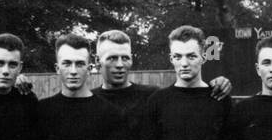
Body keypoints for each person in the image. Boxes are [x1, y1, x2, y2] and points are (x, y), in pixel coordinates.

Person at [94, 28, 232, 127]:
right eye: (112, 58)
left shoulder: (151, 96)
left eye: (125, 58)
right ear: (97, 61)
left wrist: (220, 83)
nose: (119, 64)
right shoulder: (88, 100)